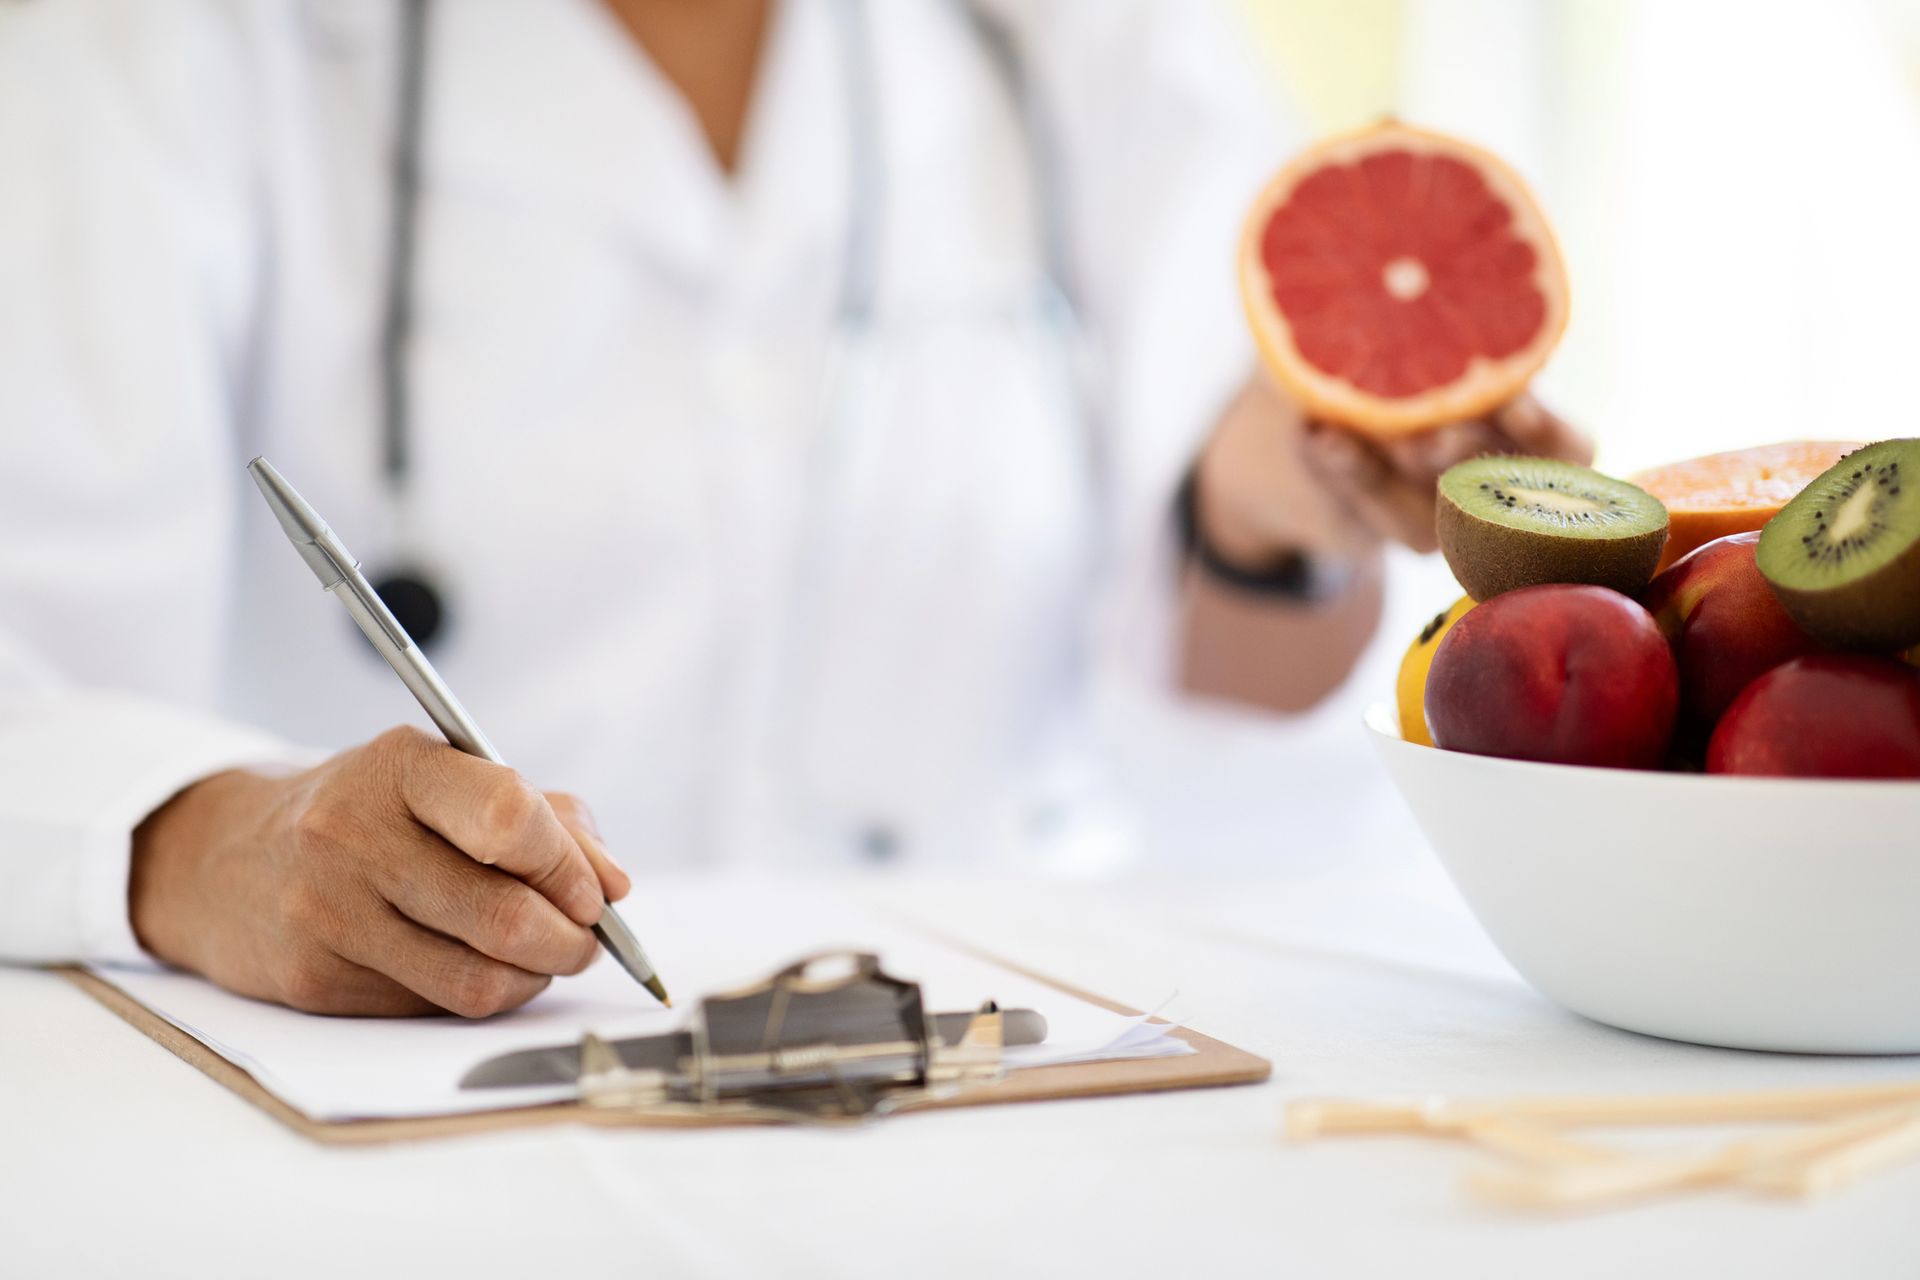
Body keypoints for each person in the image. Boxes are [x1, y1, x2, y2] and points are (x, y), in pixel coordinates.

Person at [0, 0, 1587, 1017]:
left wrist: (1265, 518)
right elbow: (34, 680)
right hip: (427, 1088)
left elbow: (1231, 720)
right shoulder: (161, 50)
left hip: (983, 1068)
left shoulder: (1090, 45)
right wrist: (204, 845)